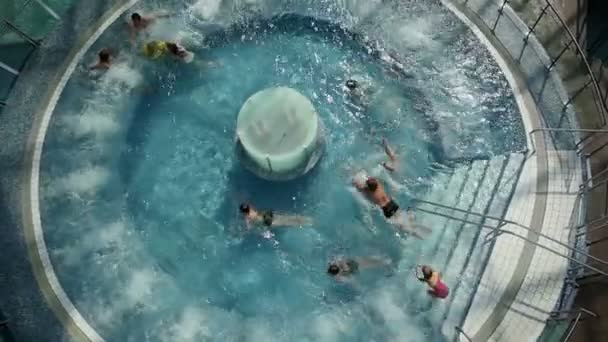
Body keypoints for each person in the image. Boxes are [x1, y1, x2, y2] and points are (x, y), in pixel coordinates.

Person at [352, 174, 431, 239]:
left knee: (402, 227)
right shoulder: (378, 184)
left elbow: (359, 188)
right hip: (392, 203)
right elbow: (371, 179)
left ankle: (417, 235)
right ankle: (419, 227)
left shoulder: (368, 192)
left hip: (386, 209)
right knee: (403, 218)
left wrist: (355, 183)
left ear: (368, 187)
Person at [239, 203, 312, 228]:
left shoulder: (248, 217)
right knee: (286, 218)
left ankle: (307, 223)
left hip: (266, 221)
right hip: (266, 213)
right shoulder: (251, 209)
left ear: (243, 212)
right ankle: (307, 219)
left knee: (286, 223)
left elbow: (249, 226)